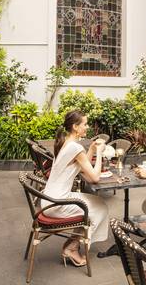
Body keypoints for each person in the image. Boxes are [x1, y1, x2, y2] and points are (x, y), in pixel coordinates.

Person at [41, 110, 108, 267]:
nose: (87, 126)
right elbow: (95, 177)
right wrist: (98, 153)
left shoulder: (67, 143)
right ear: (75, 127)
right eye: (85, 124)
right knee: (100, 208)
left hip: (50, 199)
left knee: (96, 203)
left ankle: (74, 243)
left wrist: (91, 149)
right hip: (56, 204)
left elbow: (81, 162)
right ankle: (72, 247)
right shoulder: (74, 148)